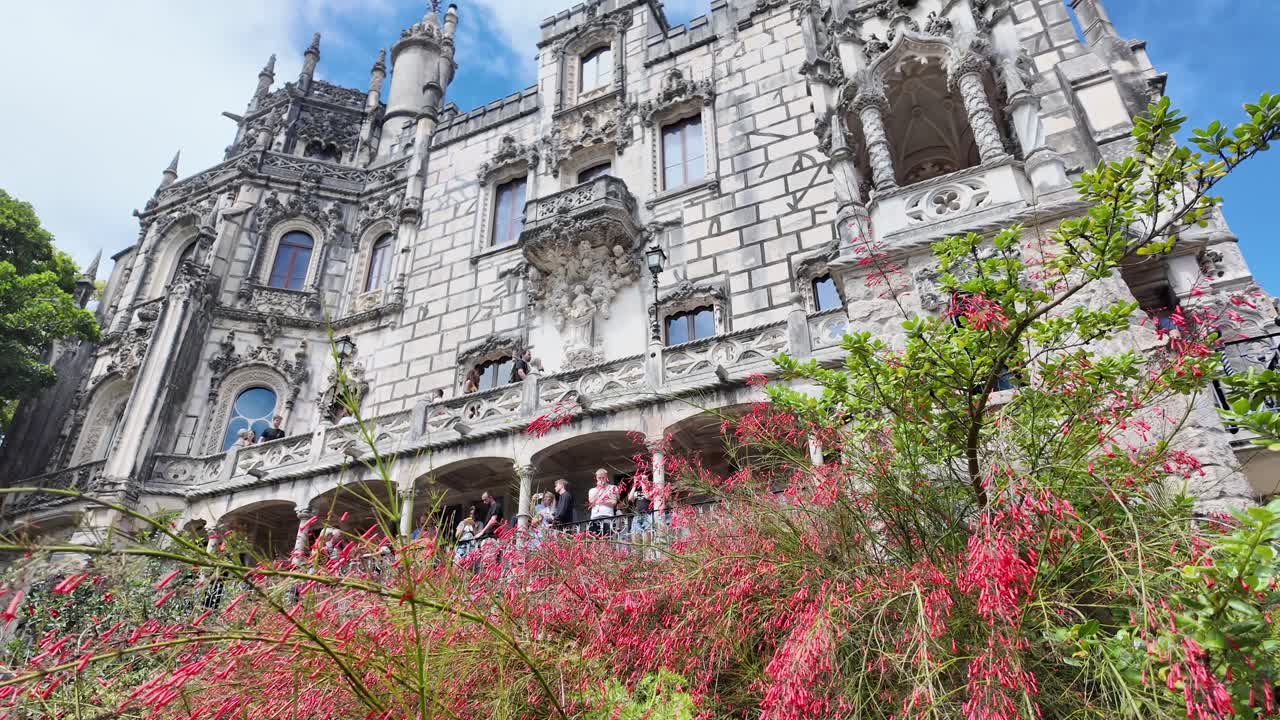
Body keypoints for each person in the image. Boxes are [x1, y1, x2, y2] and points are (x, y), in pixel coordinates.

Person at [586, 469, 618, 536]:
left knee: (608, 539)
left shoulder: (612, 488)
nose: (601, 479)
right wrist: (599, 489)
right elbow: (591, 502)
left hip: (608, 517)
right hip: (595, 518)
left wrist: (600, 500)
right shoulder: (592, 490)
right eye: (599, 478)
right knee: (596, 541)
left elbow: (614, 502)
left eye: (603, 477)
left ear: (606, 477)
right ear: (596, 478)